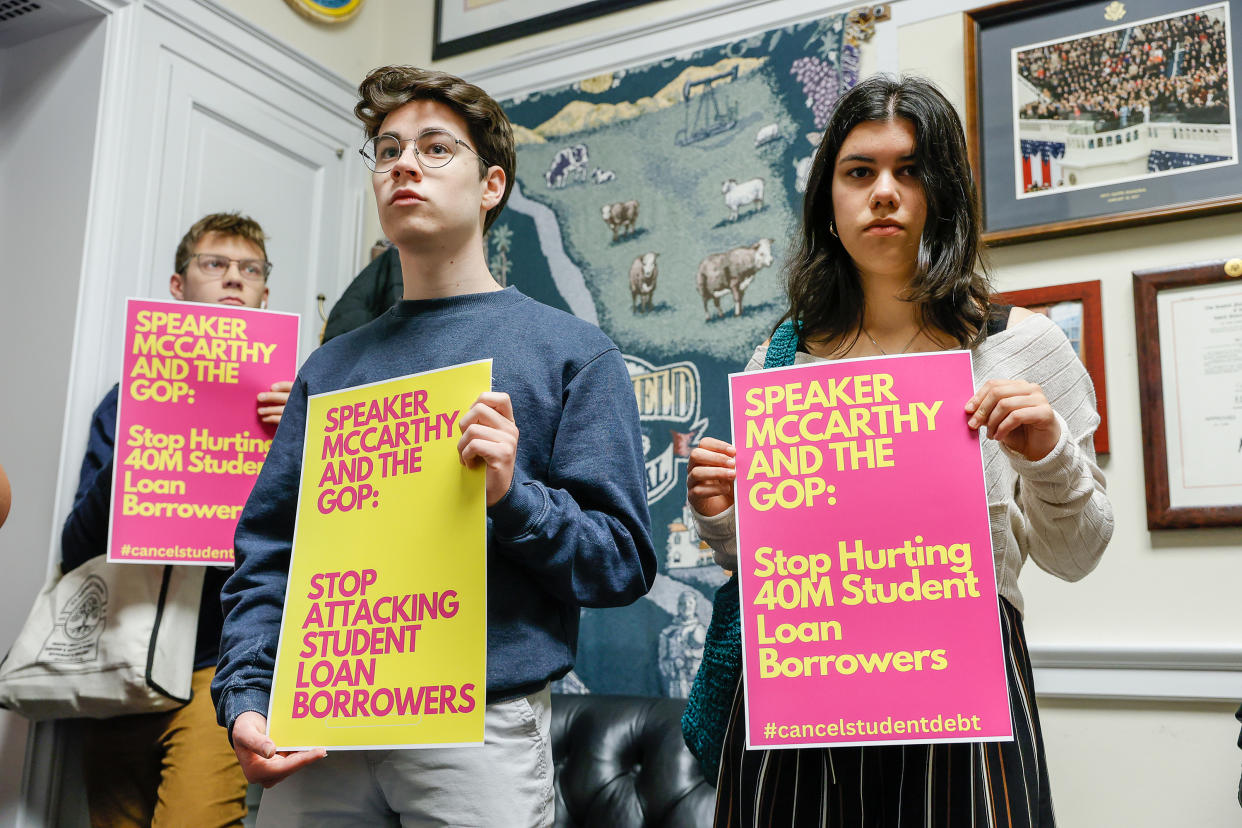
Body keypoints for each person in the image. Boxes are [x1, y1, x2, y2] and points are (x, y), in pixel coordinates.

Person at [212, 66, 656, 827]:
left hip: (479, 731)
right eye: (386, 152)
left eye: (434, 148)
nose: (403, 165)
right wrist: (246, 696)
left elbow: (622, 561)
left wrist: (516, 500)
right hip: (319, 726)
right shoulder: (330, 369)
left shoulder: (573, 353)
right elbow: (269, 551)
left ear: (491, 186)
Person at [686, 75, 1113, 827]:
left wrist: (1047, 456)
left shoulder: (1020, 344)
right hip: (803, 685)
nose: (884, 192)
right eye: (859, 172)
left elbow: (1076, 555)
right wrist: (723, 519)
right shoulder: (777, 363)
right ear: (830, 201)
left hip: (962, 684)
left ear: (943, 191)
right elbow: (763, 570)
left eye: (910, 171)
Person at [61, 211, 292, 827]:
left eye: (251, 270)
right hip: (121, 665)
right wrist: (138, 442)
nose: (234, 280)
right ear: (178, 285)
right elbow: (75, 546)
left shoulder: (295, 408)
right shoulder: (123, 401)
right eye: (215, 265)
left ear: (266, 293)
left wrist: (294, 441)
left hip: (222, 668)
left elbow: (320, 550)